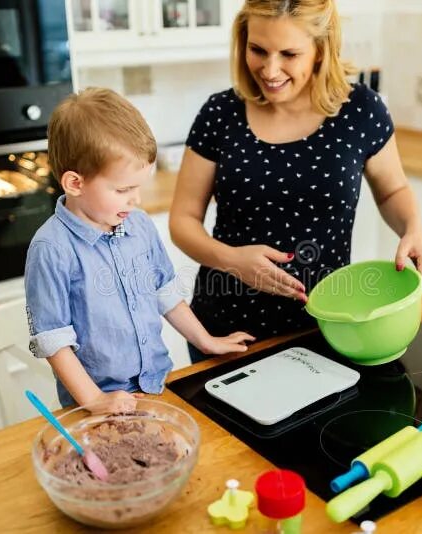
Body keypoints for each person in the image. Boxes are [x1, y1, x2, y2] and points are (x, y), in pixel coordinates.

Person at [169, 0, 422, 363]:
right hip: (227, 331)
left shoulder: (360, 110)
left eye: (289, 54)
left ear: (321, 50)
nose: (270, 69)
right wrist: (232, 260)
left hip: (332, 324)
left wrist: (413, 228)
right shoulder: (220, 114)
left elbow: (393, 190)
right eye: (257, 50)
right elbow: (182, 219)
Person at [25, 87, 254, 411]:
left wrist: (206, 341)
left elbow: (164, 292)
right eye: (123, 189)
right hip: (97, 406)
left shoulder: (139, 225)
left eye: (139, 187)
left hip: (158, 388)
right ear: (75, 183)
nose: (136, 200)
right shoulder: (51, 249)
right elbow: (54, 341)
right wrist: (96, 400)